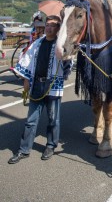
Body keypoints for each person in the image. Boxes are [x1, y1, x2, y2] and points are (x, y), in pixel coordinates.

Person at [8, 15, 72, 164]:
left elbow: (68, 67)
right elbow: (27, 62)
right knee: (31, 120)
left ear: (58, 29)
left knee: (53, 119)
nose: (49, 27)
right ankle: (24, 150)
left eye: (53, 25)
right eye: (47, 24)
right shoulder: (37, 43)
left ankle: (51, 145)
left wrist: (66, 54)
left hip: (53, 86)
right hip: (37, 85)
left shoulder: (61, 45)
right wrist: (26, 81)